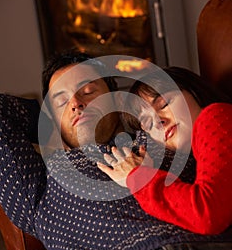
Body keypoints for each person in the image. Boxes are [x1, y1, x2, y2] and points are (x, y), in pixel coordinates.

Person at [0, 52, 232, 250]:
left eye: (88, 91)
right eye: (61, 101)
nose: (76, 102)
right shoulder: (41, 188)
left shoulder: (160, 132)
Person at [97, 66, 232, 235]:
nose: (159, 122)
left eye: (164, 104)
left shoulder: (215, 116)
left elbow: (208, 214)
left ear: (193, 91)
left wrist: (139, 177)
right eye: (149, 124)